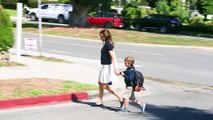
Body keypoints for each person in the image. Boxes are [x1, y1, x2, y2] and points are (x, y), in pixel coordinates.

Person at [96, 29, 123, 107]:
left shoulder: (108, 45)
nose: (100, 37)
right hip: (104, 66)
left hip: (107, 67)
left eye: (101, 36)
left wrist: (116, 68)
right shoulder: (106, 44)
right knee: (100, 83)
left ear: (105, 36)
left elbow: (114, 57)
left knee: (105, 86)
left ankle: (120, 97)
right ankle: (100, 100)